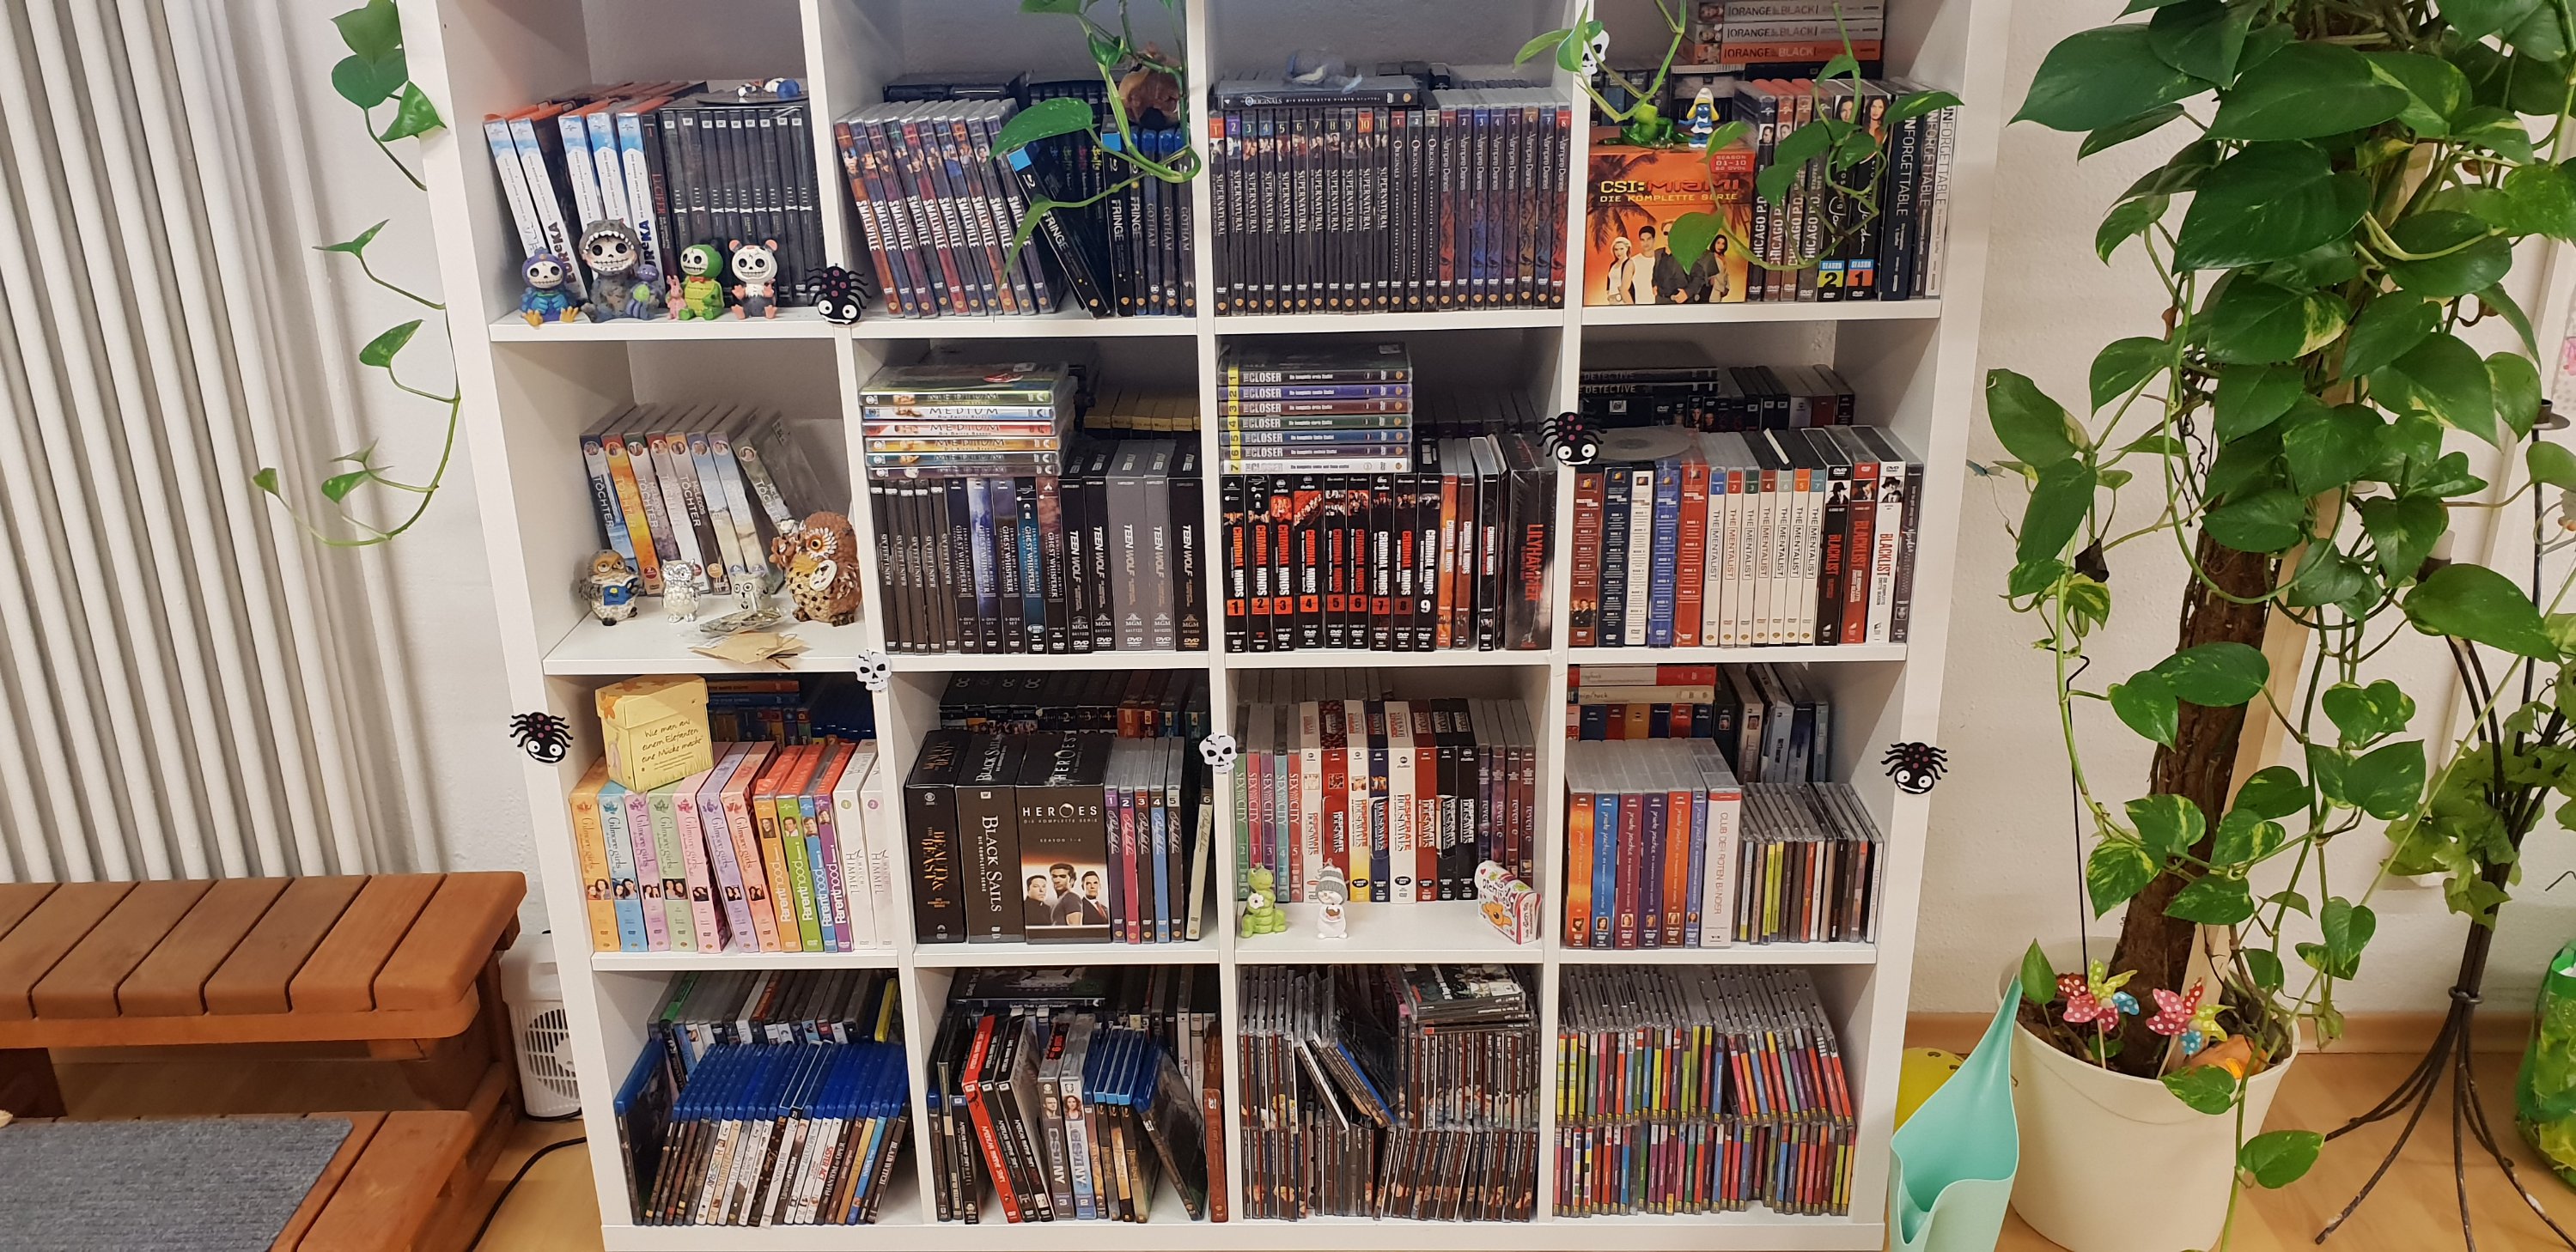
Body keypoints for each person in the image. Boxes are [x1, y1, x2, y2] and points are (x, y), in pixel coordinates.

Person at [1647, 224, 1689, 303]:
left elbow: (1698, 277)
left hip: (1680, 302)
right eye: (1666, 233)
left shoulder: (1685, 255)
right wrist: (1654, 284)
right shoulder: (1658, 253)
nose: (1668, 237)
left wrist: (1687, 293)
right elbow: (1655, 273)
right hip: (1661, 301)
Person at [1604, 235, 1643, 304]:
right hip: (1612, 300)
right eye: (1616, 249)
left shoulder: (1629, 263)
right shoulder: (1613, 264)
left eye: (1621, 249)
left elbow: (1625, 288)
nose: (1619, 252)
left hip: (1623, 301)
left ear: (1627, 248)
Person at [1048, 862, 1090, 926]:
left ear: (1072, 880)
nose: (1057, 880)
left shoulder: (1071, 898)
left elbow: (1075, 928)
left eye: (1062, 876)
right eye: (1054, 876)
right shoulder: (1059, 901)